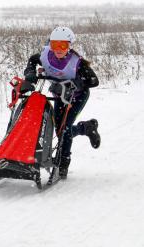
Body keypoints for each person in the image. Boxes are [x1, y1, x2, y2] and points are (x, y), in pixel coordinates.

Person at [22, 26, 101, 179]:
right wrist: (30, 73)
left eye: (62, 45)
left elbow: (93, 81)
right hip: (59, 96)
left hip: (77, 96)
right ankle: (87, 128)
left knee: (63, 129)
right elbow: (32, 60)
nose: (58, 49)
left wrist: (72, 83)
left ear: (69, 46)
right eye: (54, 45)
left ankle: (63, 163)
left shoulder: (77, 62)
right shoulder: (45, 56)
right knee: (60, 129)